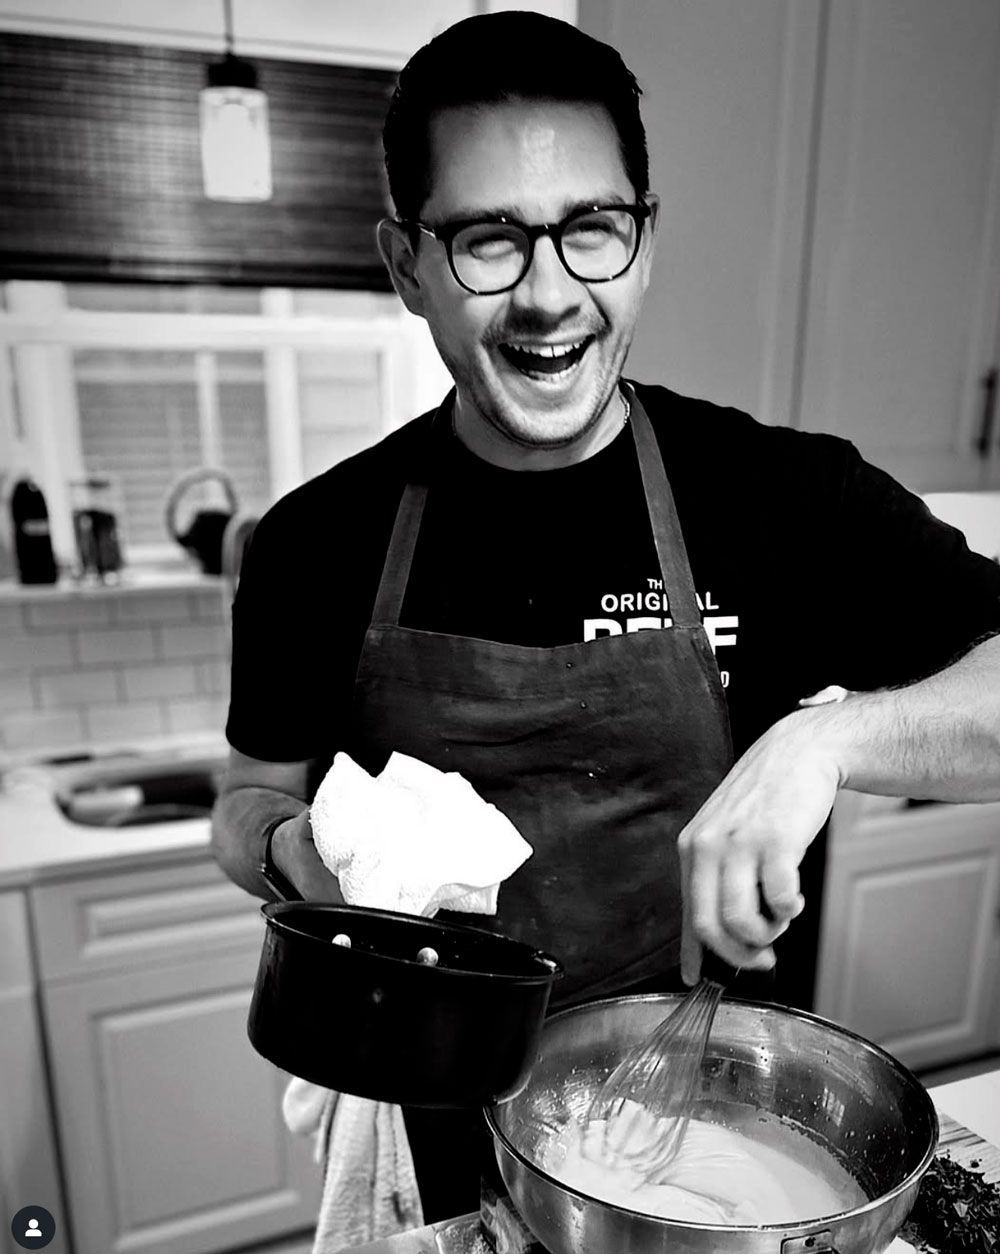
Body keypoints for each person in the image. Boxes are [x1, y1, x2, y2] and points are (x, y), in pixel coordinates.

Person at [212, 10, 1000, 1222]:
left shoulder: (784, 500)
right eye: (486, 239)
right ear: (404, 263)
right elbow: (244, 799)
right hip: (429, 1134)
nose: (548, 297)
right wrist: (313, 859)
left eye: (591, 228)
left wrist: (828, 740)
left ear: (643, 242)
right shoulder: (316, 542)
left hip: (712, 1143)